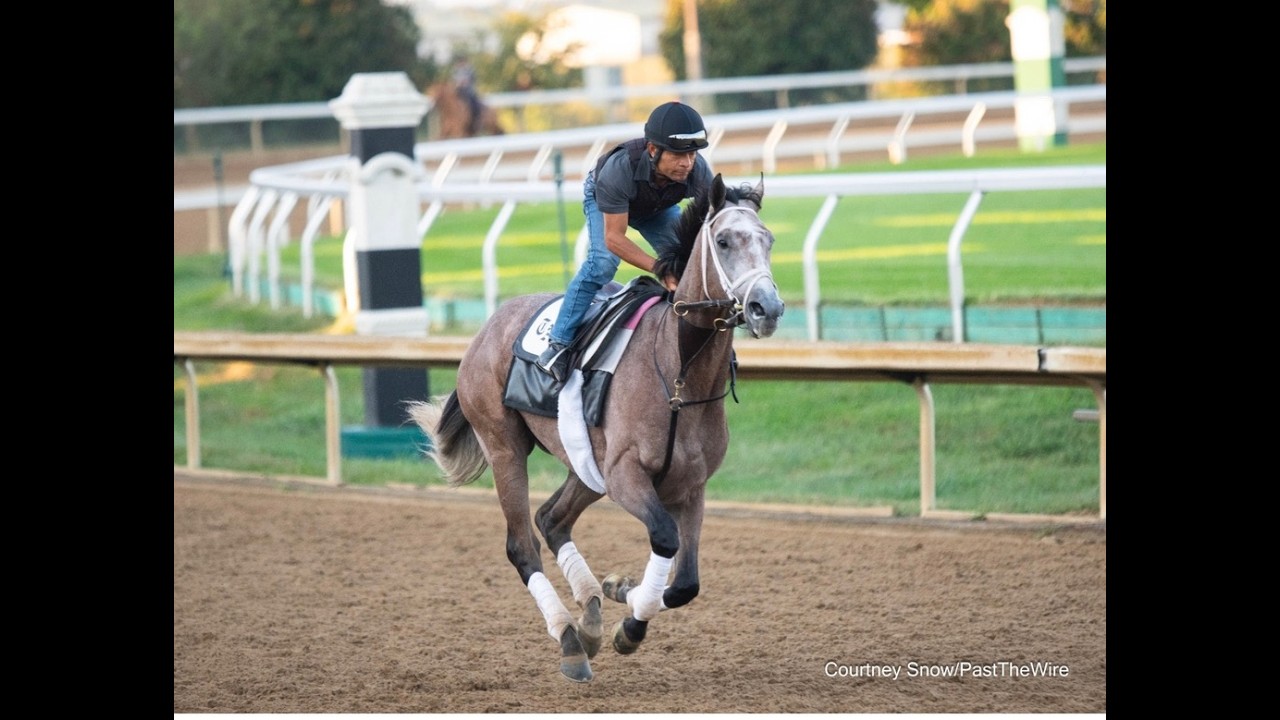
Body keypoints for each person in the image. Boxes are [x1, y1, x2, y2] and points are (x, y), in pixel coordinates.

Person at [536, 101, 714, 381]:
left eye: (692, 154)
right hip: (606, 197)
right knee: (602, 264)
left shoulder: (698, 171)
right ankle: (558, 344)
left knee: (688, 262)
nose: (687, 163)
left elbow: (714, 220)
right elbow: (614, 238)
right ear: (653, 150)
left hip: (657, 206)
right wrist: (661, 268)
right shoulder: (619, 169)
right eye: (679, 155)